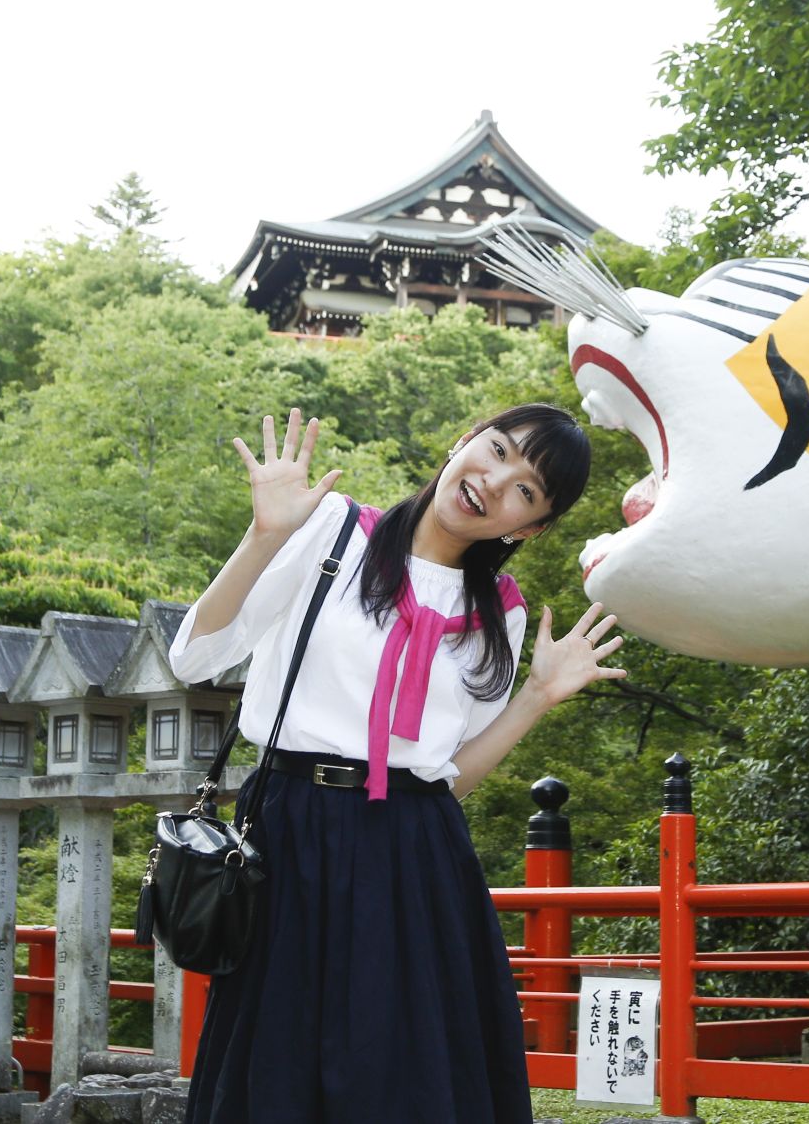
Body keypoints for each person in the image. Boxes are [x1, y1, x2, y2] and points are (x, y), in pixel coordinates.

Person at [167, 403, 623, 1123]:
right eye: (497, 450)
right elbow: (194, 655)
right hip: (293, 828)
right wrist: (264, 534)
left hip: (416, 851)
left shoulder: (500, 611)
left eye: (526, 490)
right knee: (279, 1054)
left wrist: (536, 695)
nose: (495, 480)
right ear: (462, 438)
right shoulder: (330, 529)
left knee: (404, 1063)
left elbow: (449, 774)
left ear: (527, 528)